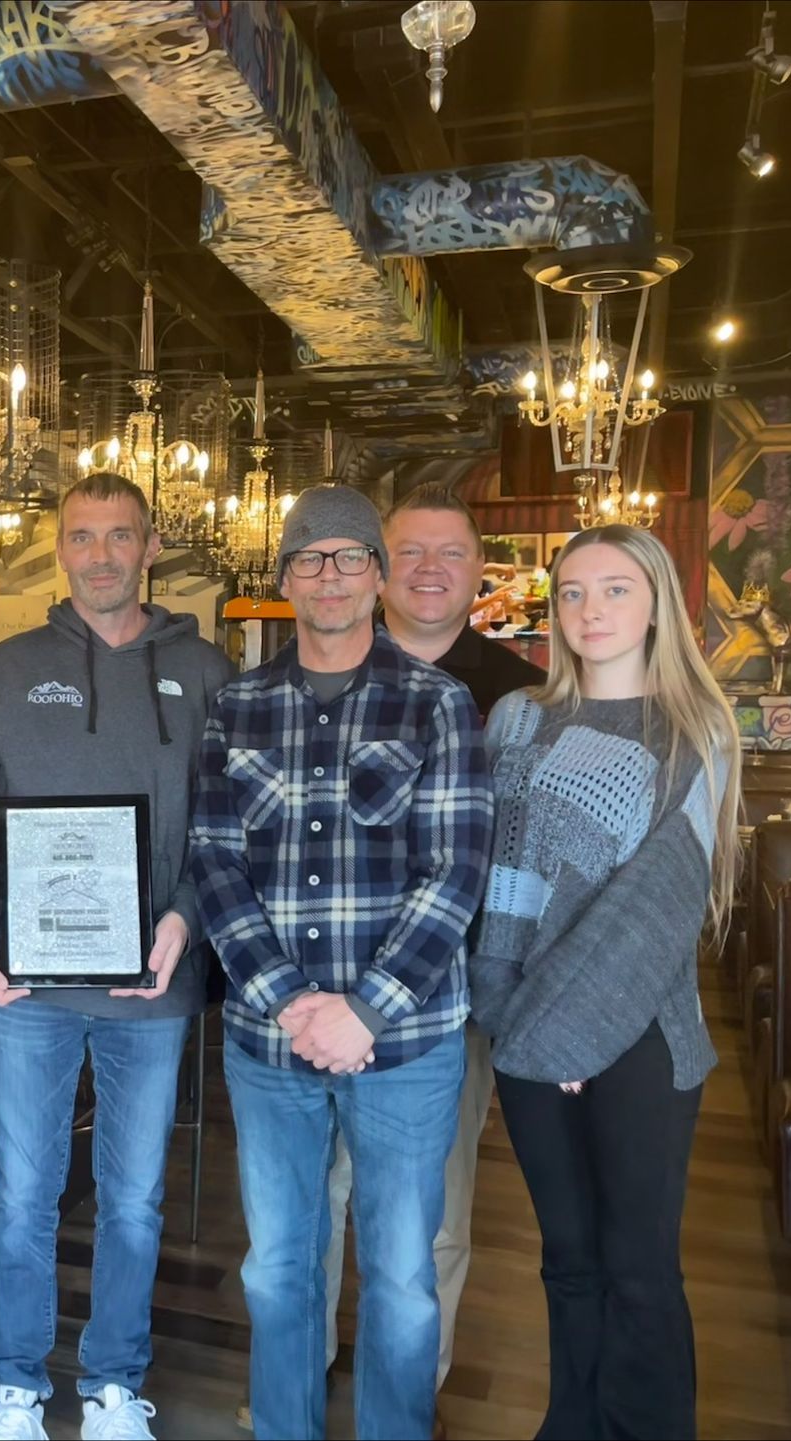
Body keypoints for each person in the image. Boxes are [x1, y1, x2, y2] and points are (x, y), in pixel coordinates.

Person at [192, 484, 491, 1441]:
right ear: (283, 579)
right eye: (309, 559)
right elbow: (213, 864)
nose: (329, 575)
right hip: (267, 1044)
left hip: (406, 1045)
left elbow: (456, 872)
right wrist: (290, 1002)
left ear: (379, 575)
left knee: (402, 1276)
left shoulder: (439, 704)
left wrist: (363, 1010)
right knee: (278, 1265)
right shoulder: (234, 706)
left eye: (349, 557)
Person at [0, 473, 233, 1441]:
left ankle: (113, 1382)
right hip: (26, 984)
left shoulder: (205, 671)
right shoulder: (9, 668)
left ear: (151, 547)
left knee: (134, 1200)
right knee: (23, 1193)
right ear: (59, 548)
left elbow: (226, 828)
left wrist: (183, 920)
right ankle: (15, 1386)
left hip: (151, 982)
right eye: (82, 536)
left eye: (121, 536)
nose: (101, 554)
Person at [271, 485, 545, 1429]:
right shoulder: (294, 677)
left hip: (451, 995)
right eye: (410, 550)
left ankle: (409, 1386)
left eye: (452, 553)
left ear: (479, 571)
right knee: (314, 1201)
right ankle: (300, 1369)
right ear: (381, 567)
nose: (431, 568)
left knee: (430, 1215)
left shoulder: (522, 693)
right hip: (311, 994)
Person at [470, 524, 742, 1439]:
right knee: (568, 1258)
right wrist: (515, 1018)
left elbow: (656, 912)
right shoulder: (519, 721)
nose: (591, 610)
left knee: (638, 1267)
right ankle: (570, 1423)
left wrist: (570, 1035)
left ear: (658, 602)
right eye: (573, 592)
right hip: (524, 1031)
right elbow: (497, 887)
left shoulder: (692, 735)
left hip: (641, 1040)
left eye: (615, 589)